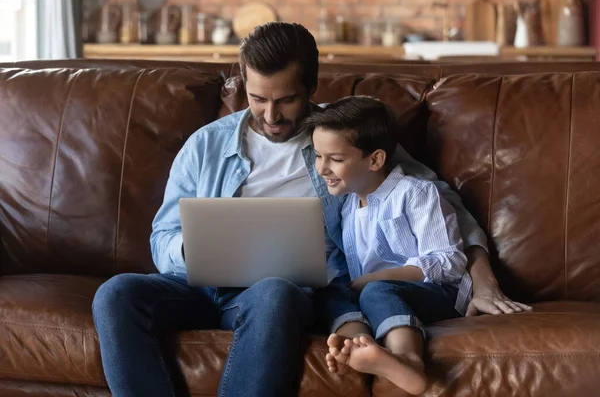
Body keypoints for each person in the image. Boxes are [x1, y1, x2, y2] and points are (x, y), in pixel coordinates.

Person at [91, 22, 530, 397]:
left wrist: (483, 279)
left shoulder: (343, 140)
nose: (270, 115)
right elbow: (161, 237)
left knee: (274, 291)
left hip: (275, 293)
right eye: (257, 98)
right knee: (116, 293)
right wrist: (196, 251)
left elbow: (439, 200)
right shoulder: (206, 145)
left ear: (312, 87)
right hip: (199, 285)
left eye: (285, 100)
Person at [307, 95, 478, 394]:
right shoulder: (346, 207)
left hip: (437, 293)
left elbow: (450, 261)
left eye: (335, 159)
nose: (322, 169)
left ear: (375, 159)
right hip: (375, 296)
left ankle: (407, 359)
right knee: (330, 291)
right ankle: (358, 344)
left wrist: (377, 278)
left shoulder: (415, 194)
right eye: (318, 156)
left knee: (376, 290)